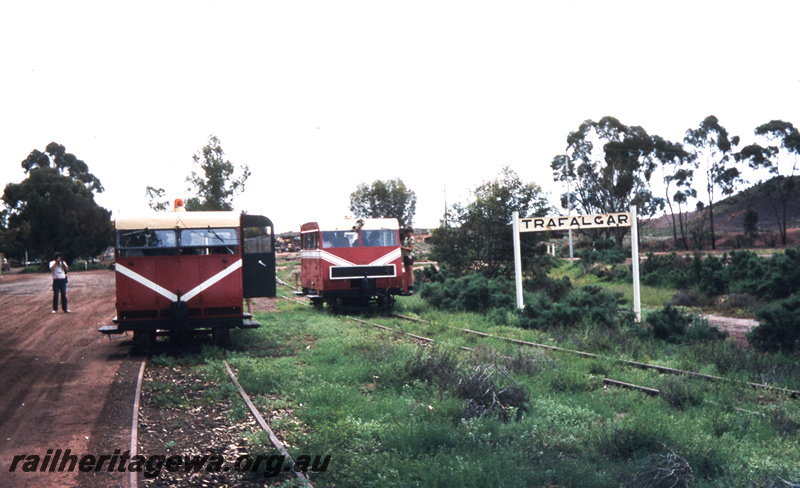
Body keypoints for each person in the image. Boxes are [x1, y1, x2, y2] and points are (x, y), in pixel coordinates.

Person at [401, 226, 415, 293]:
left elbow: (411, 249)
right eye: (408, 232)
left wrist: (403, 248)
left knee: (410, 272)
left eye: (410, 232)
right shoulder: (406, 239)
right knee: (406, 272)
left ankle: (411, 287)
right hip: (405, 256)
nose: (409, 233)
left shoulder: (412, 239)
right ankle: (406, 287)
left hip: (410, 256)